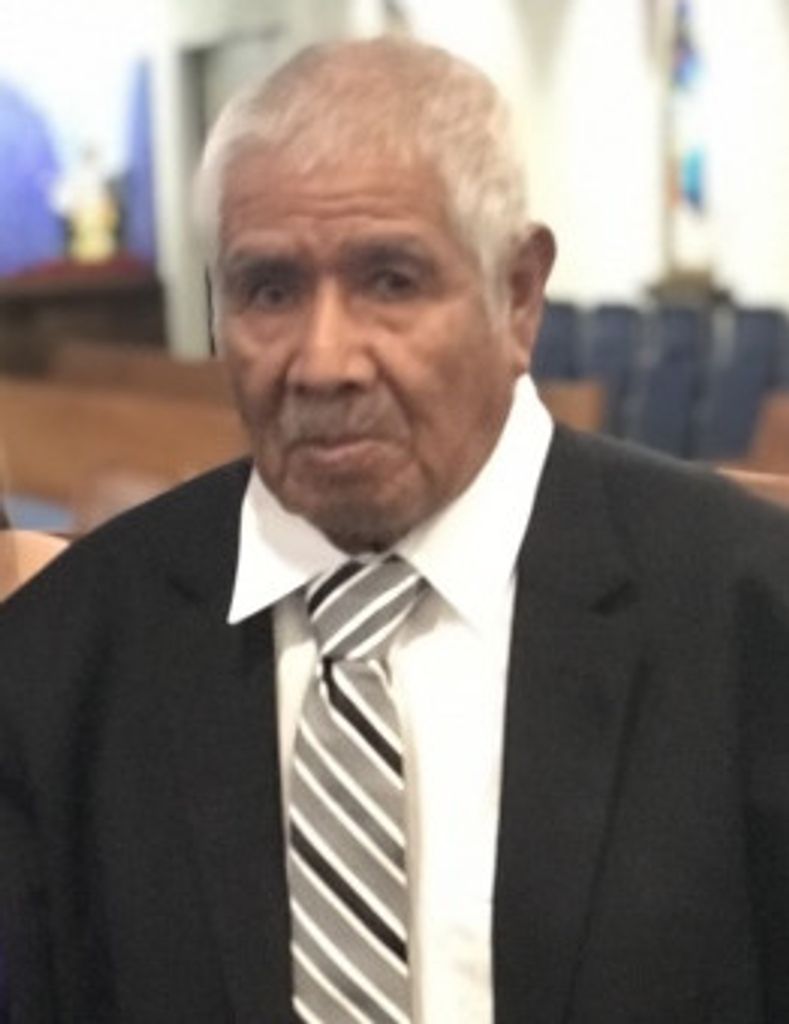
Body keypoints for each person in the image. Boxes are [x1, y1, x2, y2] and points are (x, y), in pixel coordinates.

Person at [1, 36, 789, 1024]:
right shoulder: (62, 659)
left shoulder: (750, 614)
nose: (324, 361)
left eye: (391, 281)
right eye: (269, 290)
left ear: (518, 293)